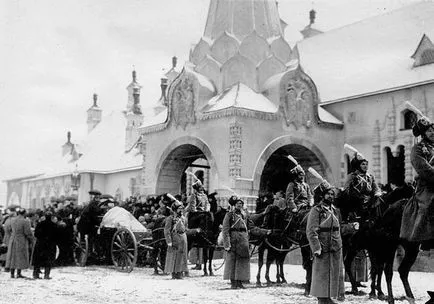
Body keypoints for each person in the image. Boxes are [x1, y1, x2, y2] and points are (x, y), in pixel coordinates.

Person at [306, 184, 343, 304]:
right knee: (322, 273)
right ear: (322, 195)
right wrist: (316, 247)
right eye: (328, 194)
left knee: (333, 273)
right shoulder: (316, 210)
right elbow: (311, 231)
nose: (331, 196)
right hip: (323, 246)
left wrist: (352, 227)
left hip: (335, 246)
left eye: (332, 194)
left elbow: (339, 228)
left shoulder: (335, 210)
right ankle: (322, 299)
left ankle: (328, 297)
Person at [400, 117, 434, 248]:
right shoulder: (417, 149)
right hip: (427, 186)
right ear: (423, 133)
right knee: (427, 205)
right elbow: (424, 169)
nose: (432, 133)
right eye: (429, 131)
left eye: (433, 130)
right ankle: (425, 239)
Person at [343, 145, 381, 222]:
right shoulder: (352, 176)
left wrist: (377, 193)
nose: (365, 166)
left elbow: (375, 188)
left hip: (369, 203)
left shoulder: (370, 177)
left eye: (366, 164)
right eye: (363, 164)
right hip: (355, 204)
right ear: (358, 165)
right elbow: (346, 189)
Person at [222, 197, 252, 289]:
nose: (240, 205)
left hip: (243, 238)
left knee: (242, 260)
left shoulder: (245, 215)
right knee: (232, 261)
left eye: (241, 203)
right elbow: (225, 230)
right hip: (233, 238)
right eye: (238, 203)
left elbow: (250, 227)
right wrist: (227, 244)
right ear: (234, 205)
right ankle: (233, 282)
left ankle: (240, 281)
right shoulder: (230, 215)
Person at [5, 208, 35, 278]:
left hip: (13, 239)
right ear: (24, 213)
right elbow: (27, 232)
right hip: (21, 240)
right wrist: (32, 239)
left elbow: (9, 229)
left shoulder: (12, 220)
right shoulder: (25, 221)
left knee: (12, 256)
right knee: (20, 256)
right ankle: (19, 273)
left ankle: (12, 273)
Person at [164, 200, 189, 279]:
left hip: (183, 238)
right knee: (175, 256)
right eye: (179, 209)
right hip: (175, 237)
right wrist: (169, 241)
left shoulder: (184, 218)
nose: (181, 210)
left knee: (183, 256)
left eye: (182, 209)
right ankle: (174, 273)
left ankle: (180, 272)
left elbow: (185, 228)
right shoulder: (170, 218)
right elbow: (167, 230)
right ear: (175, 209)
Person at [32, 211, 60, 279]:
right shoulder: (54, 225)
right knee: (49, 259)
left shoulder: (40, 224)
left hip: (40, 244)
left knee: (38, 259)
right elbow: (57, 236)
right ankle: (46, 275)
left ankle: (36, 274)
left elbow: (36, 234)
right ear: (51, 217)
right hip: (50, 244)